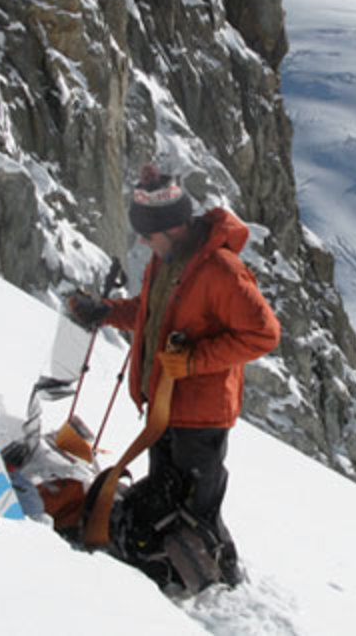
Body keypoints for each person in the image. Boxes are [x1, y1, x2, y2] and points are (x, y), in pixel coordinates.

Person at [68, 163, 281, 587]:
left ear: (174, 227)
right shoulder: (164, 262)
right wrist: (107, 312)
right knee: (167, 498)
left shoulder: (221, 270)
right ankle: (173, 571)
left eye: (149, 234)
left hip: (202, 415)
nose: (143, 242)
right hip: (165, 405)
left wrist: (194, 362)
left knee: (197, 510)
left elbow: (264, 334)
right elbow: (149, 314)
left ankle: (224, 587)